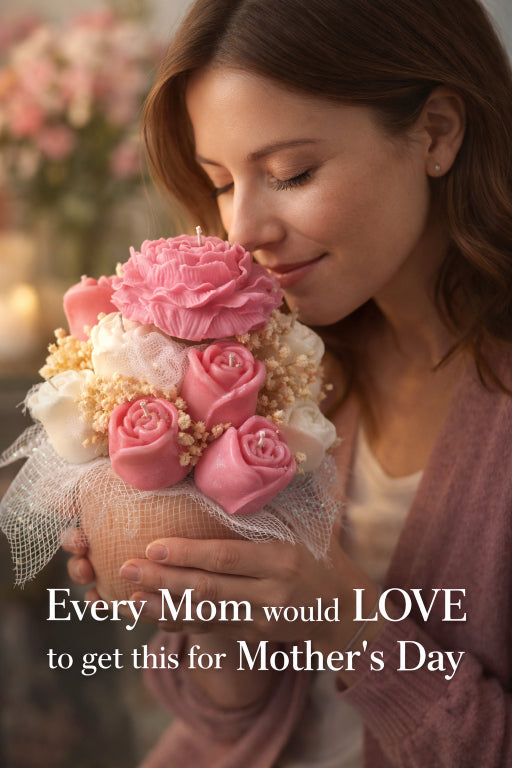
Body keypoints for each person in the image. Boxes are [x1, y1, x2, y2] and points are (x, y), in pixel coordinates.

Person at [66, 0, 512, 765]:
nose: (242, 231)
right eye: (221, 182)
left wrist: (350, 624)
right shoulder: (281, 369)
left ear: (437, 132)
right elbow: (231, 726)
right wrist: (219, 621)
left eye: (290, 173)